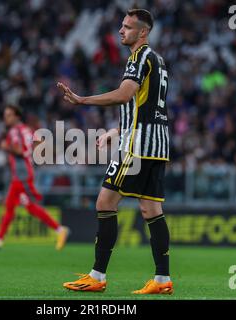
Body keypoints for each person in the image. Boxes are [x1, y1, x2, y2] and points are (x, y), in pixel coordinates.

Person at [57, 9, 173, 294]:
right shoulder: (158, 60)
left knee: (104, 203)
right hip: (157, 146)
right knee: (151, 209)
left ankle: (97, 276)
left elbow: (123, 95)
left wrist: (83, 99)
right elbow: (145, 109)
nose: (121, 31)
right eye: (121, 26)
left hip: (137, 147)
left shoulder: (139, 57)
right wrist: (115, 131)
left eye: (127, 27)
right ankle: (162, 280)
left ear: (142, 32)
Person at [0, 105, 70, 250]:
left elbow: (20, 151)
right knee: (11, 206)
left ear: (17, 116)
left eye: (9, 115)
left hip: (22, 175)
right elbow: (37, 145)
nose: (6, 118)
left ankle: (60, 230)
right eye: (5, 115)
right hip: (22, 174)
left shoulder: (14, 132)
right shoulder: (27, 130)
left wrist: (6, 147)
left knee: (30, 206)